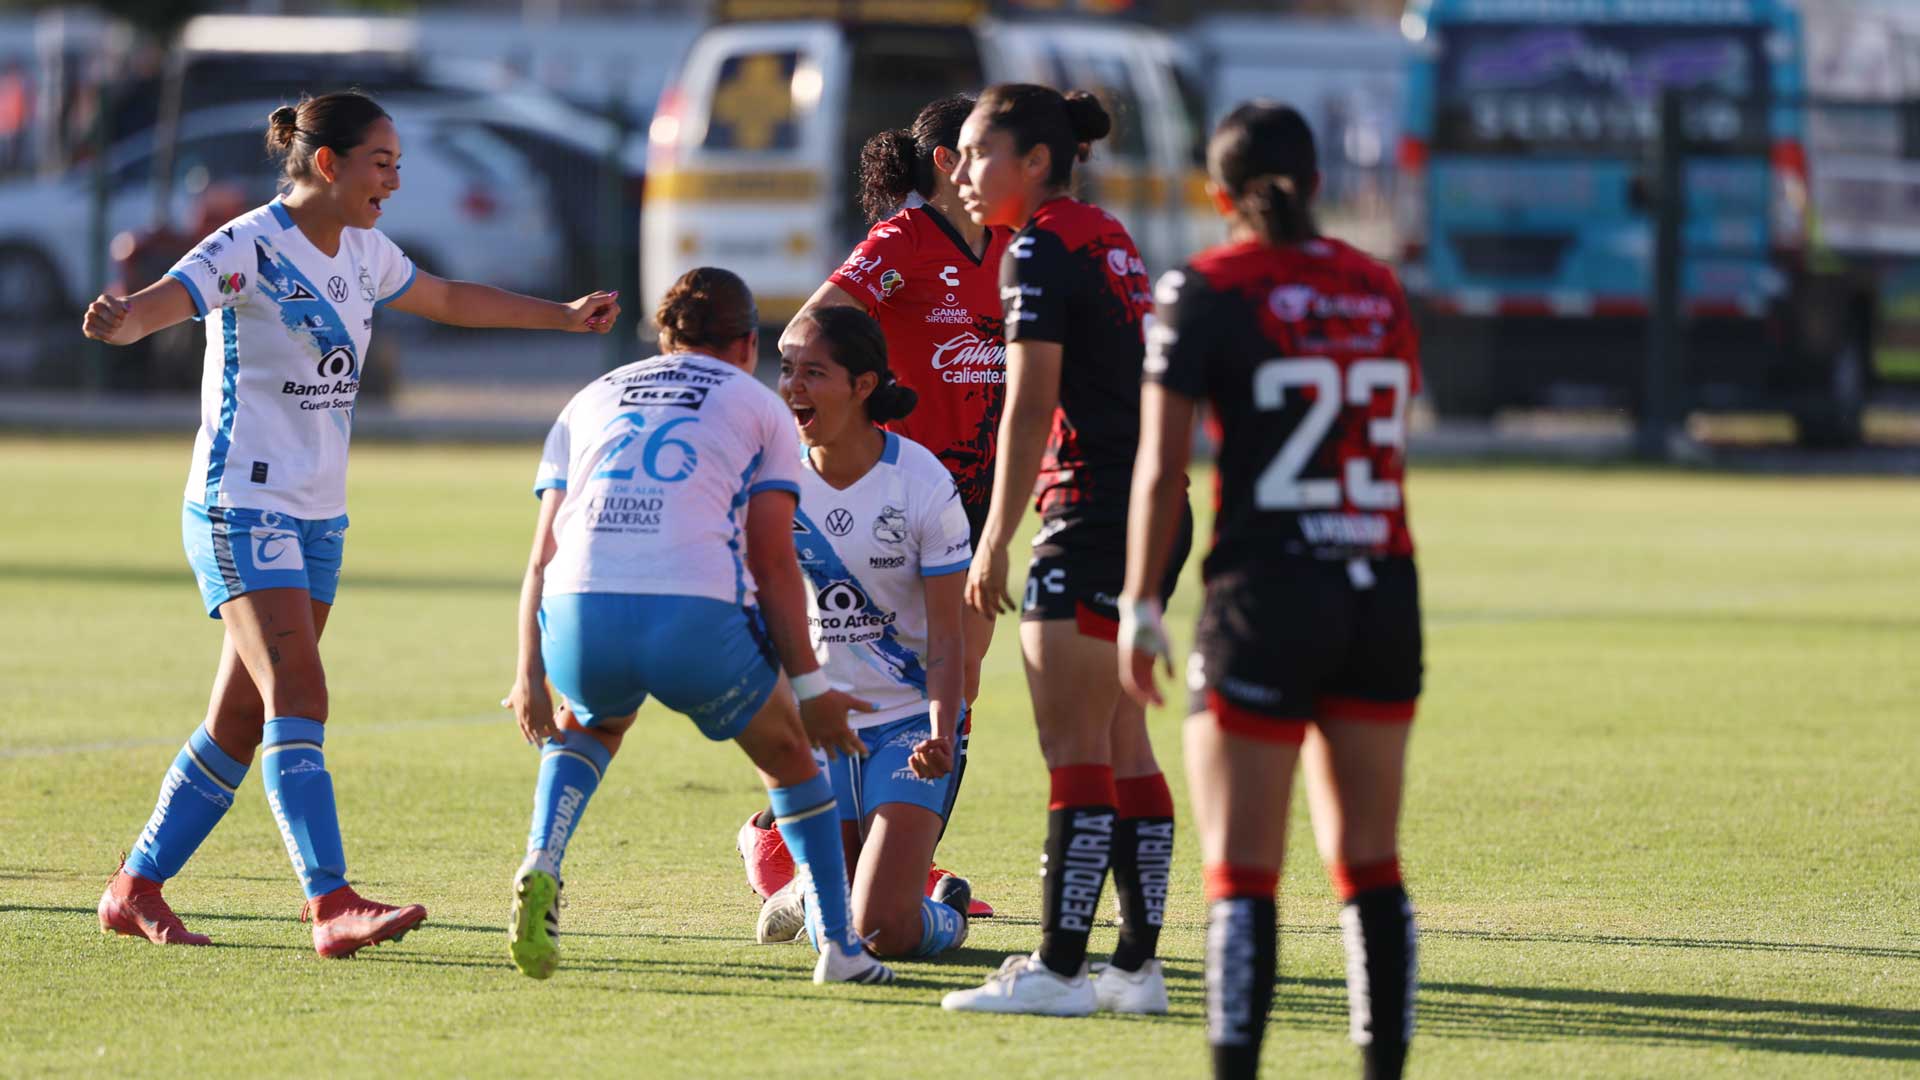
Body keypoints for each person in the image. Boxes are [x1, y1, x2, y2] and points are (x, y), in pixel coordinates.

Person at [84, 91, 621, 958]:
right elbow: (166, 300)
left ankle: (134, 885)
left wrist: (559, 316)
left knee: (242, 719)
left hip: (319, 515)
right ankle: (330, 901)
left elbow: (447, 298)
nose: (396, 180)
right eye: (383, 163)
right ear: (327, 164)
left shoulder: (366, 252)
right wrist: (122, 321)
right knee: (301, 693)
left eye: (399, 164)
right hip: (240, 502)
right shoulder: (251, 244)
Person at [1118, 102, 1423, 1080]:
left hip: (1265, 596)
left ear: (1219, 195)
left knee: (1243, 879)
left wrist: (1138, 604)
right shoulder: (1376, 285)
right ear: (1316, 184)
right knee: (1370, 867)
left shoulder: (1204, 287)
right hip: (1381, 588)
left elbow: (1161, 469)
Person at [503, 267, 893, 987]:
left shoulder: (590, 398)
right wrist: (810, 689)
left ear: (663, 335)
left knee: (592, 720)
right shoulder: (759, 405)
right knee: (788, 758)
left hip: (579, 613)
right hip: (693, 612)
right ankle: (839, 948)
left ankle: (542, 859)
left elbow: (541, 554)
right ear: (749, 344)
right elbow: (772, 561)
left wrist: (528, 670)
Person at [940, 84, 1190, 1017]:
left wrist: (995, 536)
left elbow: (1032, 400)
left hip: (1088, 512)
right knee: (1124, 740)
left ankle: (1059, 969)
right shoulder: (1106, 234)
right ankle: (1135, 967)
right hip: (1149, 512)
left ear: (1034, 160)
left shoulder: (1038, 247)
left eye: (976, 153)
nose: (962, 173)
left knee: (1074, 745)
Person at [737, 94, 1005, 918]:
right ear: (946, 162)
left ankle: (902, 859)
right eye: (984, 148)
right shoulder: (905, 242)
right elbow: (812, 326)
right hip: (895, 497)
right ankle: (790, 840)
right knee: (843, 660)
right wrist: (873, 400)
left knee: (957, 681)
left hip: (977, 498)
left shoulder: (1009, 247)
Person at [747, 306, 974, 960]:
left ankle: (945, 915)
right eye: (786, 369)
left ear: (863, 385)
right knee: (836, 941)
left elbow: (948, 636)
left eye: (814, 372)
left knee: (878, 932)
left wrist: (940, 728)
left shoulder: (921, 482)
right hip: (817, 726)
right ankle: (811, 897)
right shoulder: (772, 475)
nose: (792, 387)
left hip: (907, 726)